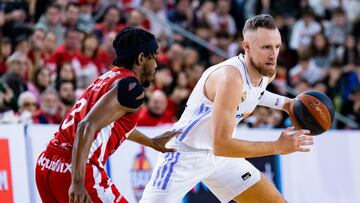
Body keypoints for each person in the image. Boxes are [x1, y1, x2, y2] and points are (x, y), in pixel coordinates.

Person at [140, 14, 314, 203]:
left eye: (277, 46)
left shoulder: (265, 71)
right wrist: (277, 146)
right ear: (246, 47)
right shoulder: (230, 78)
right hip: (185, 153)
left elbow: (255, 93)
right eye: (265, 47)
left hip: (219, 158)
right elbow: (222, 144)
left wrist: (285, 104)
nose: (273, 54)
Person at [35, 27, 180, 203]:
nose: (156, 65)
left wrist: (151, 142)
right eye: (154, 58)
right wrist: (78, 181)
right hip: (76, 169)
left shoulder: (107, 77)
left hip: (46, 163)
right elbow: (86, 126)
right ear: (141, 58)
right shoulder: (131, 87)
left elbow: (111, 125)